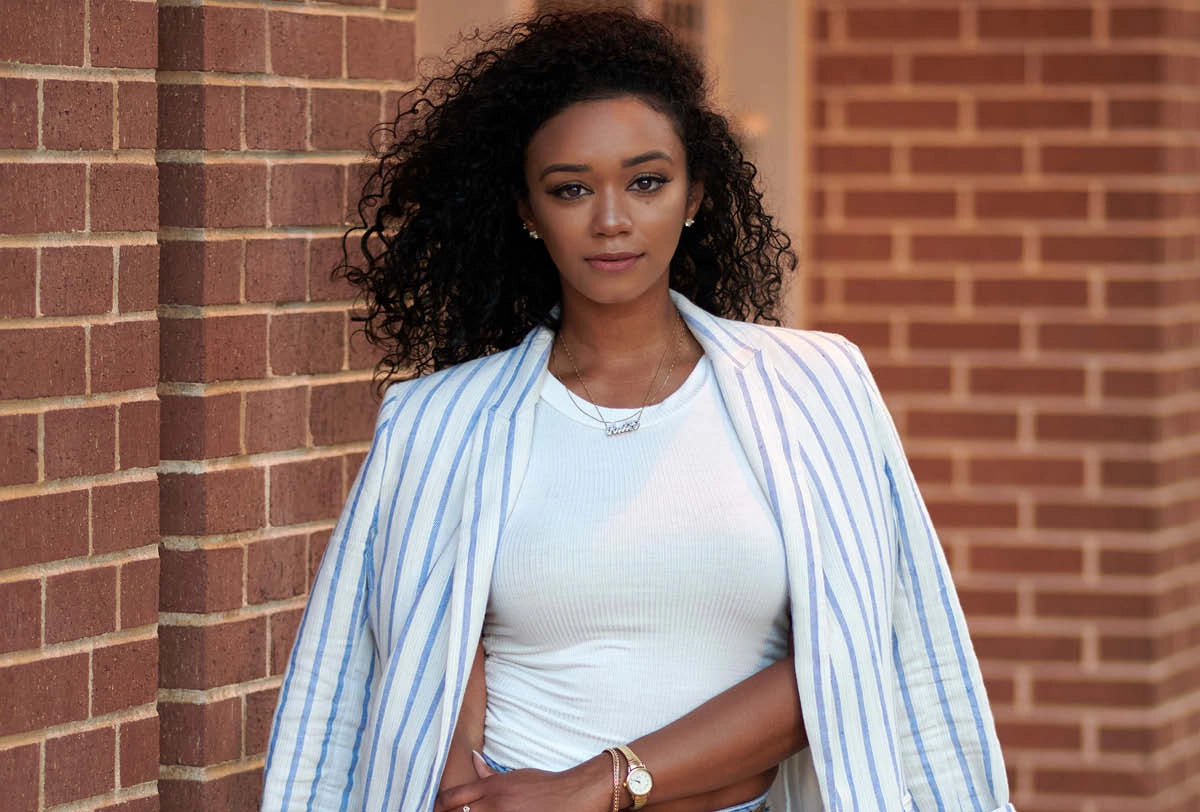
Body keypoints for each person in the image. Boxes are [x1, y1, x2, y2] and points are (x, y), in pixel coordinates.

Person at [261, 9, 1013, 812]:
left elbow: (856, 649)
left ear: (696, 194)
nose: (611, 218)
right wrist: (459, 786)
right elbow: (412, 661)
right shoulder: (440, 422)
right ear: (525, 210)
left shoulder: (814, 388)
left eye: (646, 181)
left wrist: (601, 784)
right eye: (571, 189)